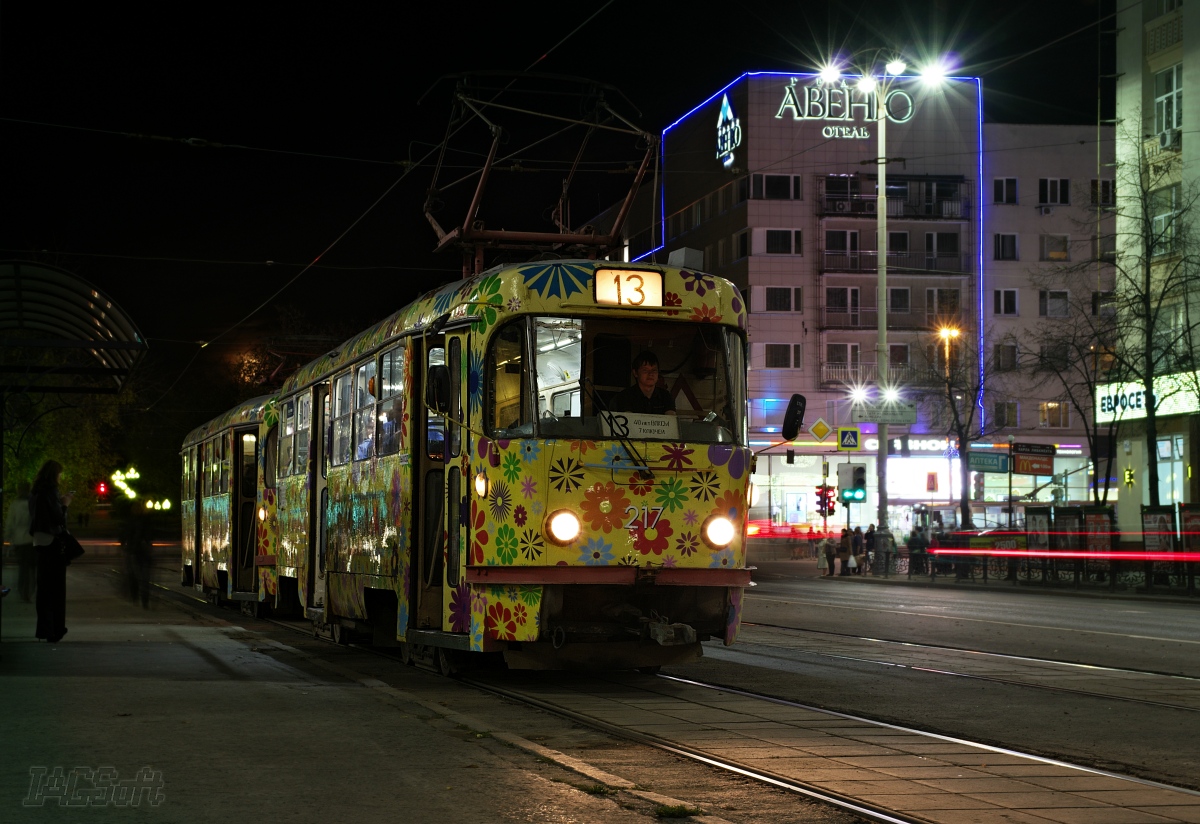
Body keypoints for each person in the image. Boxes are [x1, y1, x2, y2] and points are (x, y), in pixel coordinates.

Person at [29, 460, 72, 643]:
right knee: (57, 587)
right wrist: (65, 503)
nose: (60, 478)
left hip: (39, 540)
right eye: (60, 474)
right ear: (55, 474)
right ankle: (56, 629)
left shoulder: (36, 491)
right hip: (52, 542)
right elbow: (58, 518)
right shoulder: (51, 491)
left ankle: (44, 629)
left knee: (44, 588)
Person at [607, 351, 674, 415]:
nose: (651, 374)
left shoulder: (666, 396)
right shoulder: (625, 396)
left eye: (654, 370)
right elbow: (628, 422)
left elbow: (671, 422)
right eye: (645, 370)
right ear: (635, 373)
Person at [121, 503, 155, 608]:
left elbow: (125, 535)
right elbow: (150, 535)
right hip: (142, 551)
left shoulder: (131, 521)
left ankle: (136, 595)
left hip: (135, 551)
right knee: (144, 577)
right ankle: (144, 599)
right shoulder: (145, 521)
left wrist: (125, 545)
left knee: (134, 574)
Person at [5, 481, 35, 601]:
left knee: (23, 567)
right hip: (31, 539)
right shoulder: (32, 503)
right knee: (32, 568)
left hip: (19, 540)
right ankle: (29, 590)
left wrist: (7, 536)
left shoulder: (14, 505)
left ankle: (22, 589)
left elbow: (10, 523)